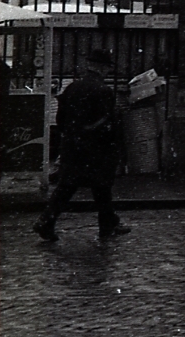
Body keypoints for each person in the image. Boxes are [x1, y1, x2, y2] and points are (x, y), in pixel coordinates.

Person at [34, 49, 128, 242]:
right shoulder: (104, 90)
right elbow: (106, 122)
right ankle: (106, 225)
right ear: (102, 68)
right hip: (95, 148)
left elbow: (60, 119)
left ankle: (48, 221)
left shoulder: (72, 88)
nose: (108, 72)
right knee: (101, 186)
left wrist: (72, 134)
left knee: (67, 186)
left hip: (72, 145)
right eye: (107, 68)